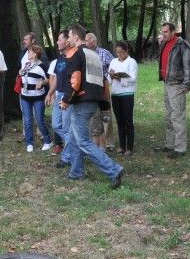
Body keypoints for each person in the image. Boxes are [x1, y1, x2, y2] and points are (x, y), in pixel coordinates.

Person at [57, 24, 123, 188]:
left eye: (70, 36)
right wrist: (104, 104)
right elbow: (102, 80)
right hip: (93, 100)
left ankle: (113, 169)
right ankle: (76, 172)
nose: (68, 39)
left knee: (83, 142)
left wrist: (66, 100)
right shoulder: (93, 54)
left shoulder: (78, 54)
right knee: (74, 137)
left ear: (76, 38)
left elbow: (75, 79)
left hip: (81, 102)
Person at [154, 22, 190, 160]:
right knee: (168, 115)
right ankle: (170, 144)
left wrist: (186, 84)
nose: (163, 34)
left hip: (177, 84)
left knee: (177, 116)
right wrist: (161, 44)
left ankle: (180, 147)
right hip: (167, 82)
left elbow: (189, 66)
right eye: (162, 32)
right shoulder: (164, 44)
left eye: (166, 32)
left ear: (173, 32)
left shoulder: (182, 45)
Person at [19, 44, 52, 153]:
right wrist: (20, 73)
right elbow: (23, 75)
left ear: (35, 54)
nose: (28, 54)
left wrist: (42, 82)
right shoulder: (27, 64)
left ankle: (48, 141)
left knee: (39, 120)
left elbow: (50, 79)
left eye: (29, 52)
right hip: (25, 97)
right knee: (27, 121)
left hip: (38, 97)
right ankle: (29, 143)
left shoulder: (42, 66)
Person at [85, 32, 115, 151]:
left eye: (87, 40)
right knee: (93, 114)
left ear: (93, 41)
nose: (85, 43)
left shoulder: (104, 53)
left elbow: (114, 67)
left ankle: (109, 142)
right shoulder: (84, 54)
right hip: (90, 89)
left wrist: (108, 78)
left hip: (103, 87)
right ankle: (95, 142)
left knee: (106, 113)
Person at [107, 41, 138, 155]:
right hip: (115, 94)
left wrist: (120, 78)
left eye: (121, 52)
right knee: (119, 121)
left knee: (128, 121)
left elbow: (133, 79)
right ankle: (121, 145)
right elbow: (109, 80)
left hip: (127, 94)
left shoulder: (131, 62)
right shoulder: (113, 61)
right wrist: (111, 75)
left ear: (126, 51)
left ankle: (129, 147)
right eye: (117, 52)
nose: (119, 55)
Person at [45, 31, 69, 155]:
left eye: (60, 39)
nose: (57, 42)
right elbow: (57, 78)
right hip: (59, 94)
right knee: (55, 125)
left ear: (67, 41)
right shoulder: (59, 60)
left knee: (66, 126)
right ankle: (74, 145)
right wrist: (50, 93)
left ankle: (69, 152)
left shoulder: (73, 58)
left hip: (68, 96)